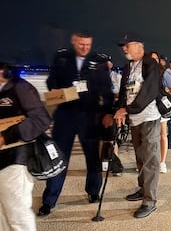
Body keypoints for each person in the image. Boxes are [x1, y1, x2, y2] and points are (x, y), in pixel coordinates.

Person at [38, 32, 114, 216]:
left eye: (87, 44)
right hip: (65, 116)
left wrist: (108, 113)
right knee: (59, 159)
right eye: (81, 44)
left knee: (93, 158)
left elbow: (108, 90)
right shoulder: (62, 58)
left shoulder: (99, 62)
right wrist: (55, 89)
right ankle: (49, 200)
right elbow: (51, 81)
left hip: (90, 117)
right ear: (74, 42)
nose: (84, 48)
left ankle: (93, 191)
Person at [0, 62, 51, 231]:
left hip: (14, 162)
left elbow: (41, 119)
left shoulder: (19, 87)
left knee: (19, 218)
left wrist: (6, 136)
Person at [114, 34, 161, 218]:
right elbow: (124, 93)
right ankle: (143, 190)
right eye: (123, 46)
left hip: (148, 118)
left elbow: (149, 91)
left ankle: (150, 201)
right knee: (140, 158)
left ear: (139, 46)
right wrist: (119, 110)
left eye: (127, 45)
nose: (124, 49)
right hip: (134, 119)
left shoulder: (150, 64)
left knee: (150, 160)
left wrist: (126, 110)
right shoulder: (129, 67)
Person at [150, 52, 171, 174]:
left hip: (159, 107)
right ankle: (149, 161)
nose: (153, 61)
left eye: (156, 59)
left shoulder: (163, 73)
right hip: (147, 108)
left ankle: (162, 162)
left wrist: (165, 96)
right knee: (148, 137)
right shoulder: (142, 72)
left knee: (162, 135)